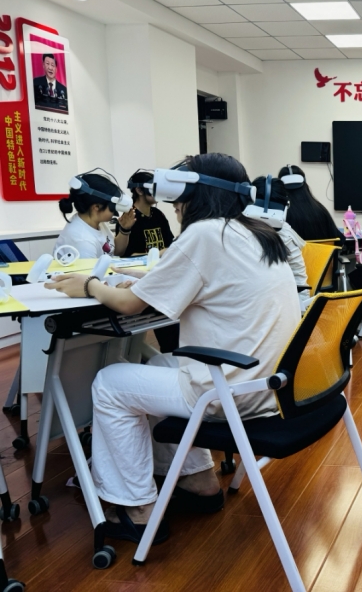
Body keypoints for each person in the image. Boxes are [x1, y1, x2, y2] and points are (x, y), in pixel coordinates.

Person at [46, 153, 301, 543]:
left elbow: (129, 305)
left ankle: (138, 509)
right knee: (161, 363)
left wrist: (89, 286)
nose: (175, 205)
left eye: (180, 195)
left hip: (231, 394)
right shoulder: (258, 232)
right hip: (270, 386)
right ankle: (199, 481)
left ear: (198, 195)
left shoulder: (206, 234)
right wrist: (141, 284)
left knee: (110, 384)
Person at [249, 175, 312, 311]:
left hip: (274, 306)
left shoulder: (285, 236)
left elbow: (299, 279)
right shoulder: (237, 231)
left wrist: (301, 311)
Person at [55, 171, 135, 258]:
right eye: (112, 207)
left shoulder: (94, 221)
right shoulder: (83, 241)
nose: (115, 212)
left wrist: (125, 229)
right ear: (96, 207)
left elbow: (115, 251)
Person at [278, 165, 343, 242]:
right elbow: (339, 240)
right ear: (305, 183)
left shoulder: (279, 216)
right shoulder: (321, 211)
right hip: (321, 250)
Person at [123, 170, 175, 257]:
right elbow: (128, 255)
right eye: (153, 189)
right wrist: (157, 254)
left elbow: (170, 243)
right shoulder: (129, 218)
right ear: (139, 190)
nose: (158, 192)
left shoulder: (158, 214)